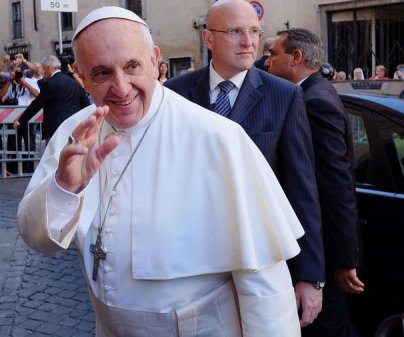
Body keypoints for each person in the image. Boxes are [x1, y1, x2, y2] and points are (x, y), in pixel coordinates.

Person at [17, 6, 304, 337]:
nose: (121, 88)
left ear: (155, 61)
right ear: (81, 77)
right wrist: (64, 188)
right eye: (101, 73)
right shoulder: (75, 133)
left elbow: (265, 286)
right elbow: (38, 240)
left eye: (132, 66)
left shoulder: (218, 138)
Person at [164, 0, 324, 328]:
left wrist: (311, 276)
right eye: (236, 31)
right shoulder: (174, 94)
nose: (249, 41)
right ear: (208, 38)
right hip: (190, 264)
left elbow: (302, 189)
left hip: (258, 261)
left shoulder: (283, 95)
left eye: (254, 31)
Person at [265, 27, 364, 337]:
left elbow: (335, 185)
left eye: (272, 55)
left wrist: (344, 258)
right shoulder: (314, 90)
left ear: (296, 58)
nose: (266, 63)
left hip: (322, 253)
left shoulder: (313, 101)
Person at [14, 55, 90, 143]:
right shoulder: (73, 82)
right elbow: (86, 103)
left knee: (54, 156)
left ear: (49, 69)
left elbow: (37, 104)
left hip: (56, 131)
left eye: (43, 68)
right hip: (74, 129)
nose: (42, 72)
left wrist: (21, 121)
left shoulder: (50, 84)